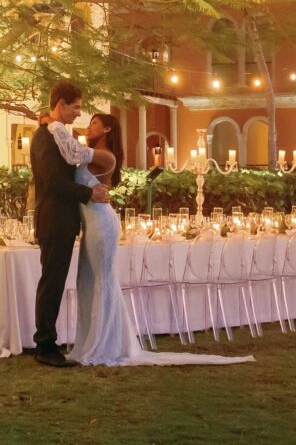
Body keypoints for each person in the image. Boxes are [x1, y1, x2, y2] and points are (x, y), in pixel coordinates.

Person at [43, 110, 253, 368]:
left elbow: (74, 151)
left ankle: (106, 344)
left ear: (107, 129)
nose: (88, 127)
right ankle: (91, 341)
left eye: (94, 124)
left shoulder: (106, 157)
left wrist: (52, 124)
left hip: (102, 224)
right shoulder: (94, 153)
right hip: (91, 226)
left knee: (102, 281)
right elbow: (72, 151)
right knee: (88, 280)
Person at [29, 81, 108, 368]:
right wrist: (90, 193)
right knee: (52, 282)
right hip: (53, 220)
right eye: (75, 107)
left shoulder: (60, 137)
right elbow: (54, 182)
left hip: (63, 220)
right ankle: (45, 344)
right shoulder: (44, 138)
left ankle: (48, 340)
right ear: (61, 104)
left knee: (56, 281)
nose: (79, 113)